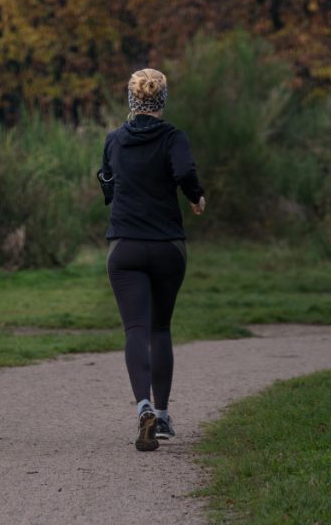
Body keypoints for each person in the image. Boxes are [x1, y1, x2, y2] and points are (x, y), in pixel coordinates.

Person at [97, 68, 207, 452]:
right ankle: (161, 417)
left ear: (131, 100)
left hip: (124, 246)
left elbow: (106, 181)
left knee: (135, 330)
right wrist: (195, 197)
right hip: (167, 247)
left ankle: (141, 405)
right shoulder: (174, 138)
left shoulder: (115, 140)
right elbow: (185, 171)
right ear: (162, 100)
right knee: (160, 328)